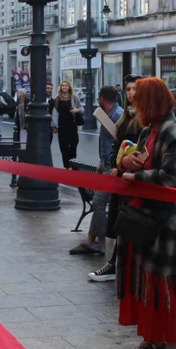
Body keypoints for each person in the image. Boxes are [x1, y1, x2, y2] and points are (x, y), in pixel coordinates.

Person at [115, 77, 176, 349]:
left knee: (165, 284)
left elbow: (174, 176)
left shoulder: (174, 131)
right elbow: (138, 161)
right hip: (146, 218)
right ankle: (154, 341)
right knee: (146, 280)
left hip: (167, 222)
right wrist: (126, 165)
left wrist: (138, 174)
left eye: (138, 101)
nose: (134, 106)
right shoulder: (149, 130)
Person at [89, 75, 143, 283]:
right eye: (128, 89)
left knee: (109, 207)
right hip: (119, 173)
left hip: (131, 176)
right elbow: (116, 144)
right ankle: (113, 259)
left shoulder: (140, 117)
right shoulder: (125, 116)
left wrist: (123, 165)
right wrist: (113, 164)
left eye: (134, 89)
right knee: (118, 214)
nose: (130, 93)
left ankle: (111, 256)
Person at [70, 86, 123, 256]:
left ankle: (102, 243)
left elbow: (119, 140)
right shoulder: (111, 114)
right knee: (98, 203)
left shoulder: (116, 115)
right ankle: (90, 240)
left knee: (99, 203)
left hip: (110, 166)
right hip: (104, 162)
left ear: (101, 99)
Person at [51, 81, 83, 169]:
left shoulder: (74, 97)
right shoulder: (57, 99)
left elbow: (81, 108)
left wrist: (77, 110)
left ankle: (73, 161)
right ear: (60, 87)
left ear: (69, 87)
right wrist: (54, 126)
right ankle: (67, 165)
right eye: (62, 86)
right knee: (63, 146)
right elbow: (55, 113)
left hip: (72, 124)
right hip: (62, 125)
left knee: (74, 144)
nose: (64, 87)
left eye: (66, 85)